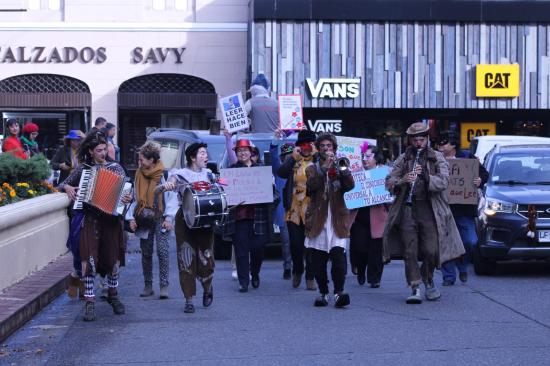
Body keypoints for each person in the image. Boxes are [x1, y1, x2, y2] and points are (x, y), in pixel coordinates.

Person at [383, 122, 464, 304]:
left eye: (422, 139)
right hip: (408, 209)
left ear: (427, 139)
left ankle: (427, 278)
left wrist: (426, 177)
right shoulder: (403, 159)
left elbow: (444, 182)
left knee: (431, 250)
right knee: (409, 250)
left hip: (430, 209)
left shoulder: (437, 157)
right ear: (410, 140)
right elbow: (389, 181)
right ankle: (415, 286)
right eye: (415, 140)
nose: (419, 143)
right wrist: (403, 180)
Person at [59, 131, 127, 321]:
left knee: (113, 258)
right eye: (99, 150)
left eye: (105, 149)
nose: (103, 153)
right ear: (90, 152)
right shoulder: (83, 170)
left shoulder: (116, 168)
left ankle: (113, 295)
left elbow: (126, 195)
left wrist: (127, 199)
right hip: (90, 220)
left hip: (111, 222)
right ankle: (89, 302)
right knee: (88, 260)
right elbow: (61, 185)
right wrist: (68, 187)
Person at [161, 143, 215, 313]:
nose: (206, 156)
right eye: (202, 153)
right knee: (185, 258)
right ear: (193, 157)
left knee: (206, 257)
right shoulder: (180, 174)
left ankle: (207, 288)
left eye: (206, 153)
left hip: (205, 220)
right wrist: (169, 184)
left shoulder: (209, 174)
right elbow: (173, 180)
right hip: (185, 220)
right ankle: (189, 299)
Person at [304, 133, 355, 308]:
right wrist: (324, 168)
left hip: (337, 219)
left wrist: (344, 171)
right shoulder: (312, 168)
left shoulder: (341, 164)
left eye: (330, 146)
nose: (327, 149)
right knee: (318, 260)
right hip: (318, 218)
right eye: (323, 146)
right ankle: (323, 292)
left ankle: (339, 292)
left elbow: (349, 186)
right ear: (318, 149)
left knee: (338, 258)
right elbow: (311, 187)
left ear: (334, 148)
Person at [223, 138, 274, 293]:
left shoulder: (262, 170)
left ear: (251, 152)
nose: (242, 153)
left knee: (258, 248)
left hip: (258, 216)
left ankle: (255, 273)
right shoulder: (230, 171)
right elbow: (224, 193)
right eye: (239, 151)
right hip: (238, 218)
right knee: (241, 250)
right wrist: (223, 187)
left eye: (245, 150)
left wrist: (269, 196)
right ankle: (243, 281)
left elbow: (275, 194)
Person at [437, 132, 488, 286]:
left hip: (464, 210)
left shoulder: (467, 158)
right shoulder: (435, 160)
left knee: (470, 241)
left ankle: (462, 264)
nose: (440, 146)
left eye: (444, 142)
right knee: (445, 242)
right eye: (438, 143)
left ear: (453, 145)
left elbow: (485, 174)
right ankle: (448, 276)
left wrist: (480, 180)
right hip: (443, 208)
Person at [127, 141, 173, 299]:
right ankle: (148, 285)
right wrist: (131, 218)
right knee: (146, 252)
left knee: (163, 251)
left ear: (152, 160)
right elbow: (134, 198)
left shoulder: (164, 175)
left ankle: (164, 285)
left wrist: (169, 217)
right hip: (142, 217)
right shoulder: (138, 174)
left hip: (160, 216)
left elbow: (171, 198)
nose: (139, 163)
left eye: (142, 160)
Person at [277, 129, 317, 290]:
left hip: (313, 210)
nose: (306, 147)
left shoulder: (319, 159)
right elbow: (281, 172)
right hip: (294, 209)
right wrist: (292, 158)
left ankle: (310, 276)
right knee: (296, 245)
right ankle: (298, 270)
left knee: (312, 246)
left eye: (309, 144)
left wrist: (318, 155)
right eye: (303, 145)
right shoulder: (293, 159)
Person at [349, 145, 389, 288]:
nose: (364, 159)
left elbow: (392, 191)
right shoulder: (356, 173)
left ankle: (375, 278)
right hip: (360, 217)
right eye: (363, 156)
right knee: (360, 247)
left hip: (379, 217)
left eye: (368, 156)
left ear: (376, 158)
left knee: (376, 250)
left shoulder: (385, 173)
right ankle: (360, 269)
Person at [270, 132, 294, 279]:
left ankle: (299, 267)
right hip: (284, 211)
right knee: (286, 242)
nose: (289, 158)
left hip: (301, 210)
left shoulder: (303, 169)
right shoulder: (280, 170)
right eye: (286, 155)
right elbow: (273, 155)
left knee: (301, 242)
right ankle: (287, 266)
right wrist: (275, 140)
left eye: (291, 155)